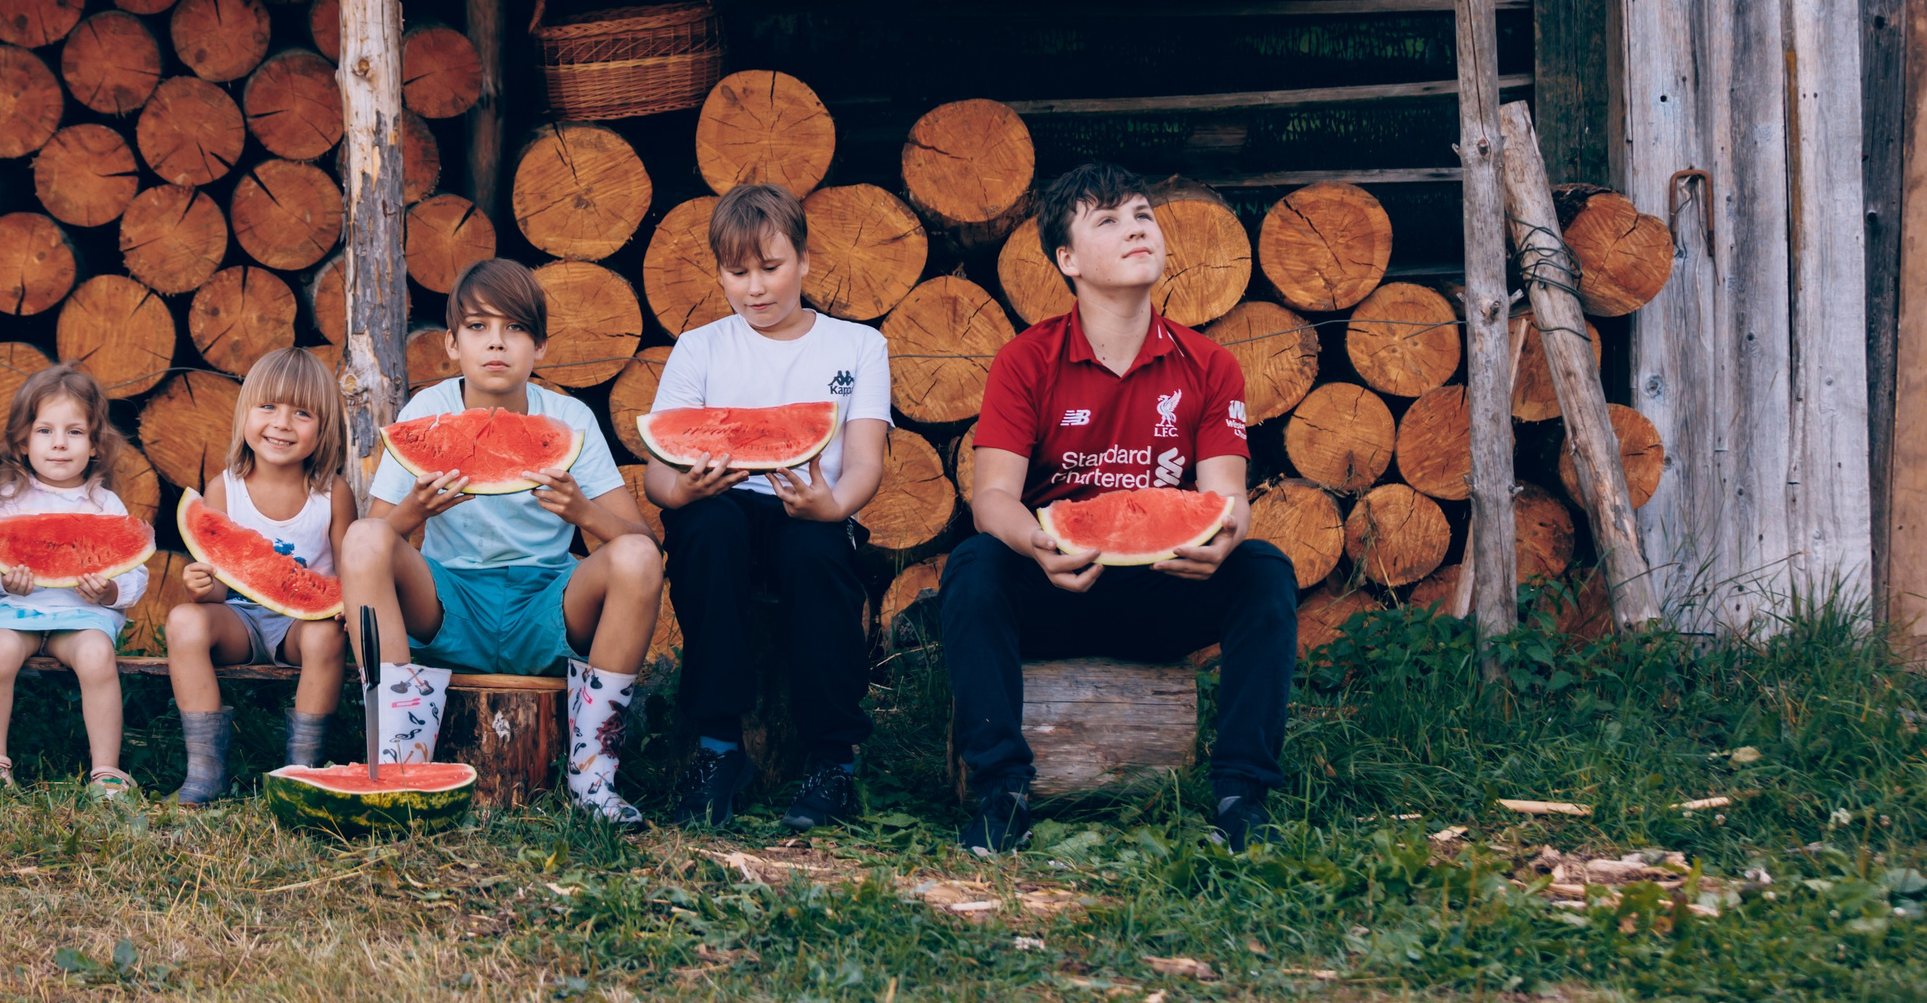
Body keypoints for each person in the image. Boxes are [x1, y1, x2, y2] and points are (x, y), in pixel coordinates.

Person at [941, 162, 1298, 854]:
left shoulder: (1210, 364)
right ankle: (1000, 794)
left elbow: (1228, 497)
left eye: (1142, 214)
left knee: (1263, 569)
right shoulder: (1025, 360)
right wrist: (1039, 544)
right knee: (975, 563)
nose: (1136, 227)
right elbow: (992, 499)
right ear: (1066, 259)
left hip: (1163, 592)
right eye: (1107, 219)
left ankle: (1241, 794)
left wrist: (1222, 538)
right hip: (1052, 586)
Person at [342, 258, 666, 826]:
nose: (497, 344)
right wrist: (416, 510)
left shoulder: (569, 419)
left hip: (549, 608)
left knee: (637, 556)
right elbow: (376, 538)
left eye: (515, 328)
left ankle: (593, 779)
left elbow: (639, 539)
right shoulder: (429, 412)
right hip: (448, 604)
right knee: (365, 538)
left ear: (540, 347)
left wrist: (583, 511)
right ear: (451, 343)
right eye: (478, 327)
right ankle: (397, 768)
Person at [645, 182, 891, 831]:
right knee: (707, 527)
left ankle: (833, 757)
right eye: (738, 271)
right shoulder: (701, 346)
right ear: (720, 272)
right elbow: (657, 473)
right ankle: (719, 749)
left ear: (805, 260)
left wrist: (831, 502)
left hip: (813, 506)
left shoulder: (859, 346)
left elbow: (865, 458)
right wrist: (682, 491)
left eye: (771, 267)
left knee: (815, 553)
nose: (755, 287)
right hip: (723, 503)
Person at [164, 346, 354, 804]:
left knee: (325, 636)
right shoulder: (223, 488)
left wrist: (346, 603)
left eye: (302, 413)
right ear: (245, 413)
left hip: (301, 627)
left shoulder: (332, 493)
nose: (282, 423)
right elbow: (221, 589)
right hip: (239, 620)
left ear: (323, 427)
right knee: (183, 623)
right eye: (267, 406)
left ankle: (300, 773)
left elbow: (349, 575)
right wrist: (202, 590)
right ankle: (206, 773)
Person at [0, 364, 148, 797]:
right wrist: (6, 583)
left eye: (75, 432)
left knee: (98, 656)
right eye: (45, 431)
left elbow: (136, 574)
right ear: (23, 442)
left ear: (97, 445)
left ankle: (106, 770)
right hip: (18, 610)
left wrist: (112, 590)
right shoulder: (7, 500)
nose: (59, 444)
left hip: (83, 616)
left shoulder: (105, 503)